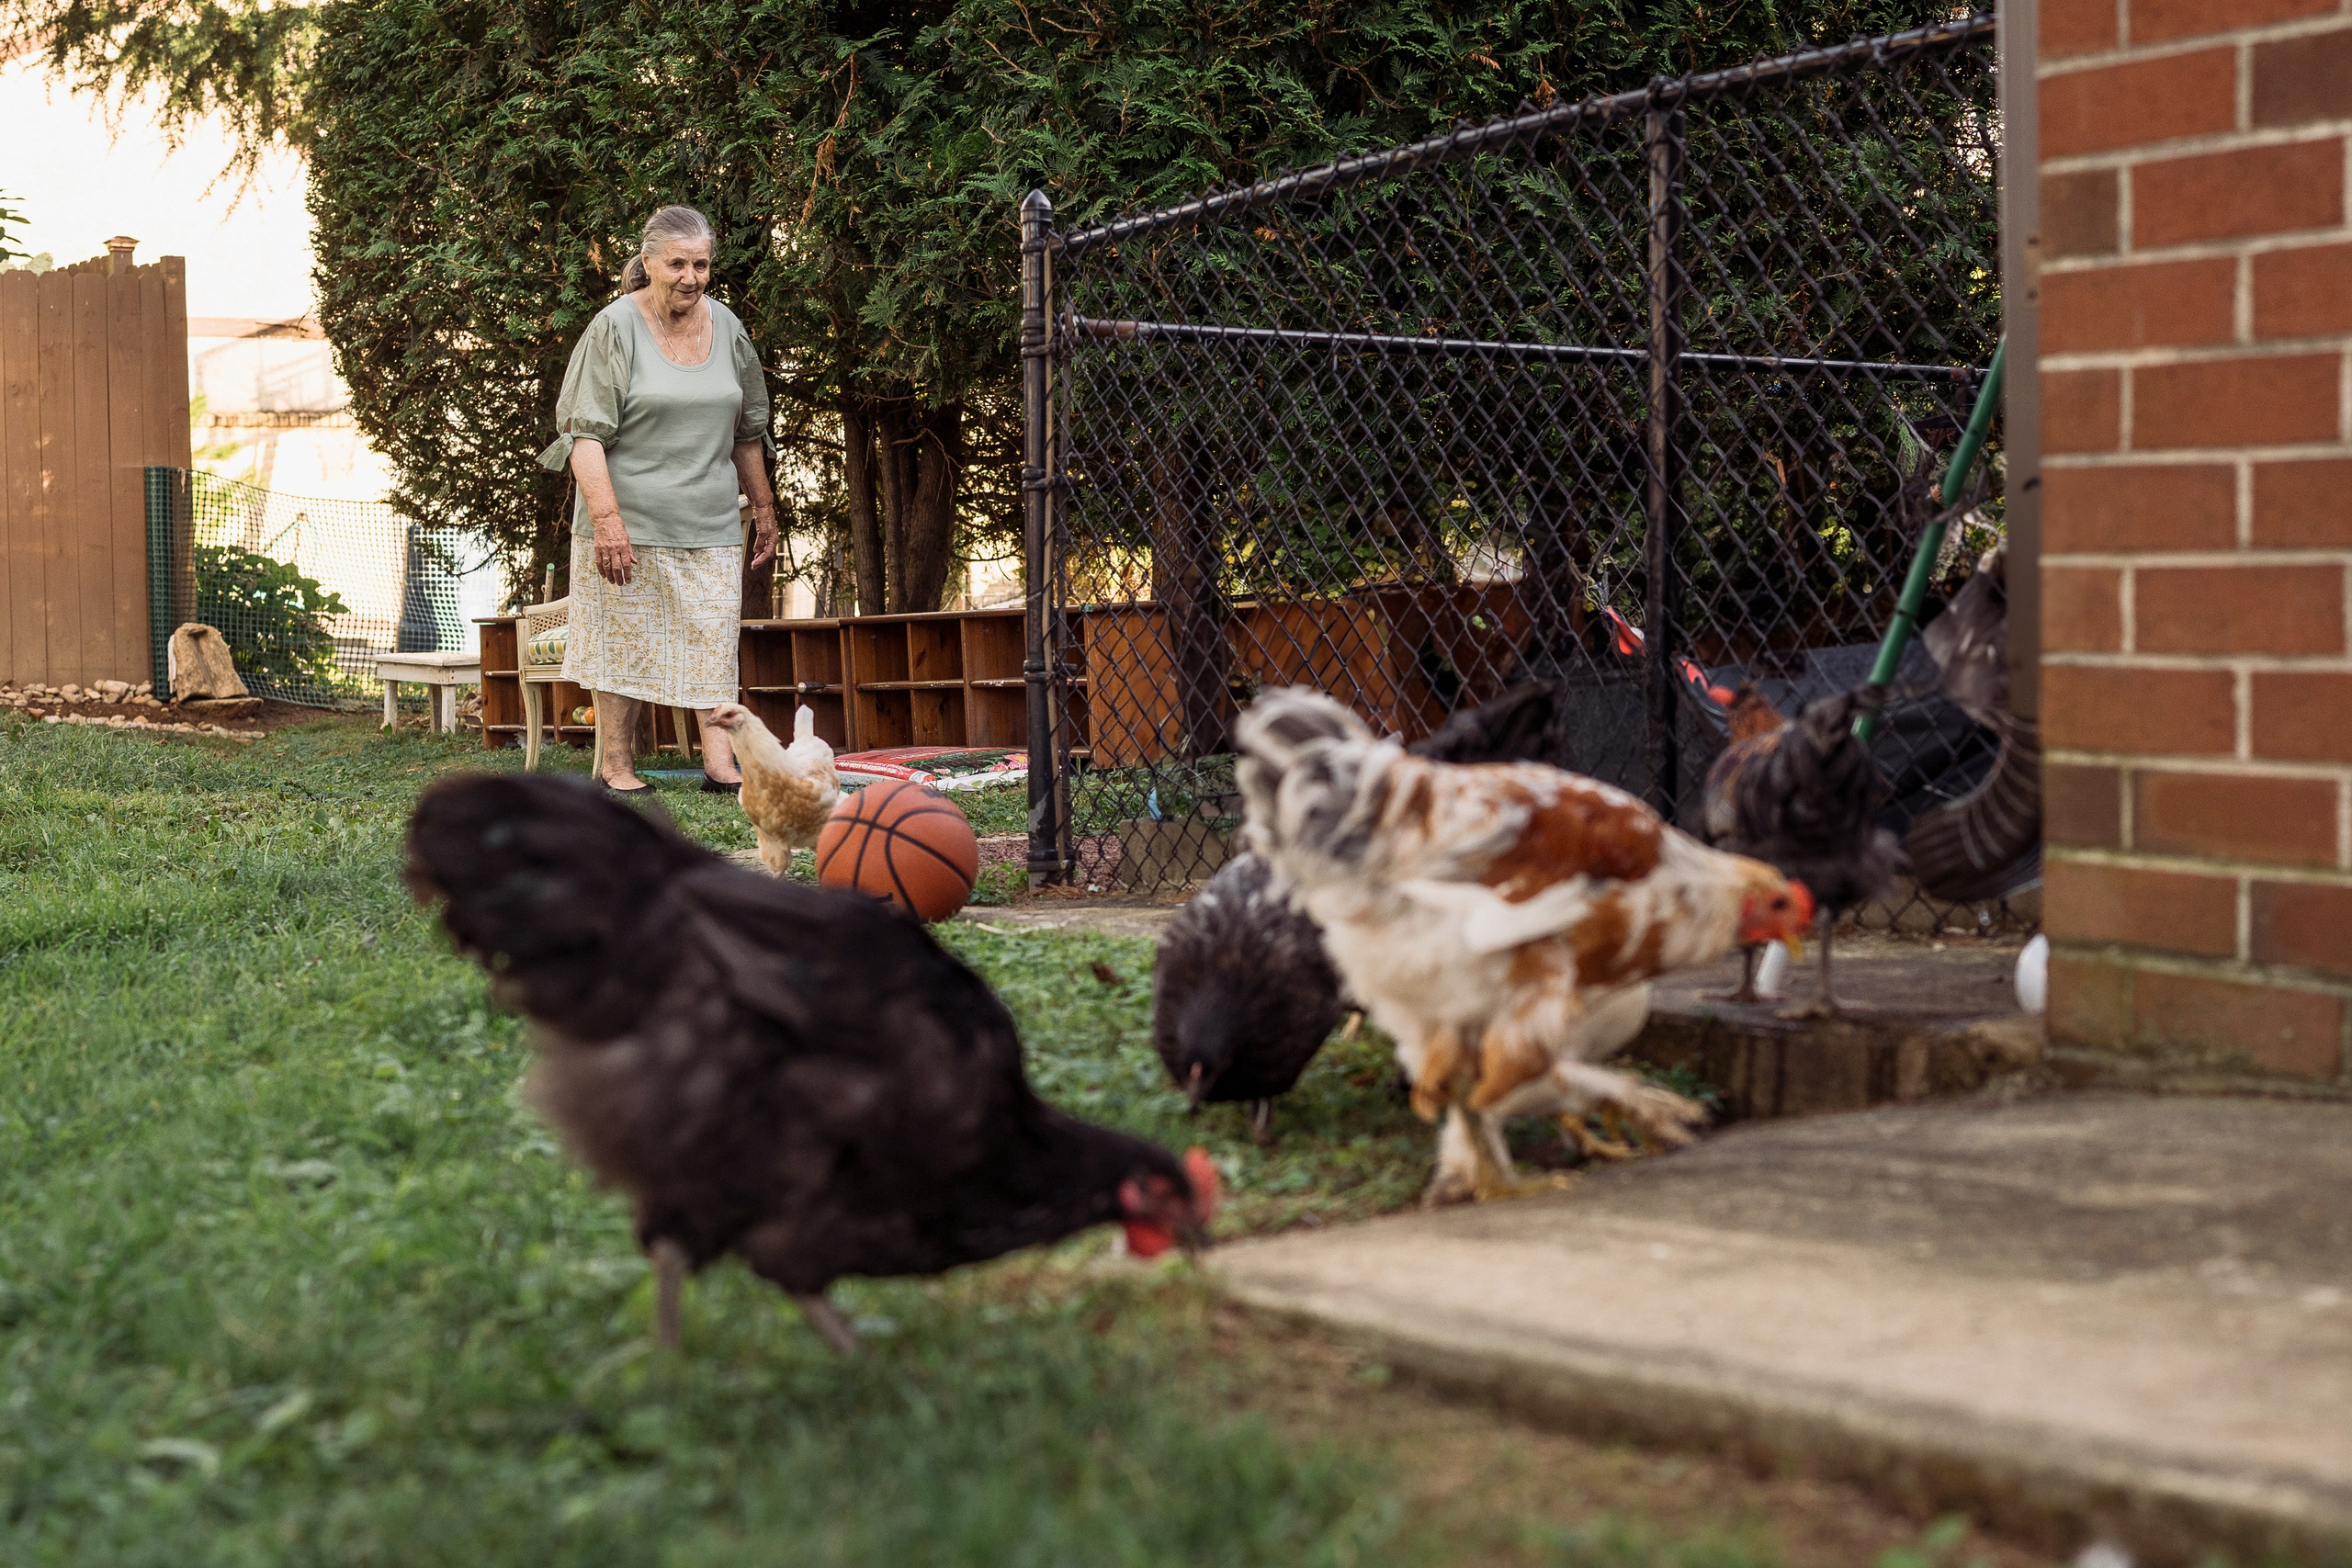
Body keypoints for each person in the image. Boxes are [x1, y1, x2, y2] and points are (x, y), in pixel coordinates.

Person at [537, 205, 776, 793]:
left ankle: (720, 766)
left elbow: (747, 429)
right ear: (648, 263)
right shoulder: (614, 328)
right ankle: (617, 767)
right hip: (628, 521)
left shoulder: (729, 327)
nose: (691, 277)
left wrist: (765, 510)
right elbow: (584, 436)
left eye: (701, 264)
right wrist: (609, 521)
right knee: (623, 643)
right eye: (677, 264)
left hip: (710, 519)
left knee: (713, 641)